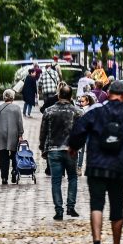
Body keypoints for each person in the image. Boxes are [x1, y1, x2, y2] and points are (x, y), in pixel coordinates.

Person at [68, 80, 123, 244]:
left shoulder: (96, 112)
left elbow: (79, 130)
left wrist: (74, 146)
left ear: (109, 93)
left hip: (96, 164)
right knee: (117, 206)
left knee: (96, 204)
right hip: (120, 166)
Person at [41, 85, 83, 220]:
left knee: (56, 181)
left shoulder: (49, 111)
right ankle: (71, 206)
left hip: (54, 149)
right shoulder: (77, 112)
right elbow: (81, 132)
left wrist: (43, 148)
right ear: (71, 97)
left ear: (59, 95)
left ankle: (59, 210)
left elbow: (43, 132)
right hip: (71, 150)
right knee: (72, 178)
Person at [0, 90, 24, 185]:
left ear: (4, 97)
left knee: (3, 156)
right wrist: (20, 134)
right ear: (13, 97)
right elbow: (20, 122)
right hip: (13, 134)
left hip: (1, 134)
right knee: (15, 154)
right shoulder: (17, 108)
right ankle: (14, 171)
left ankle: (4, 177)